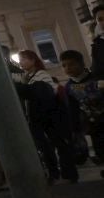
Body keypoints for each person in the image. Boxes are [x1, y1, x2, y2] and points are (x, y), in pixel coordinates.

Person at [15, 50, 78, 183]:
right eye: (20, 60)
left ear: (33, 60)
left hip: (49, 116)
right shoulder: (26, 76)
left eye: (24, 59)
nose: (21, 62)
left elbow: (44, 93)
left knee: (58, 143)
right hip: (35, 116)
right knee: (44, 147)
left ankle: (68, 174)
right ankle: (54, 173)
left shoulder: (42, 74)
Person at [59, 49, 104, 167]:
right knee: (99, 147)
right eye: (64, 65)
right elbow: (73, 109)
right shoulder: (69, 87)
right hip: (92, 124)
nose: (67, 68)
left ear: (82, 64)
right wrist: (75, 128)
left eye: (71, 64)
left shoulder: (95, 78)